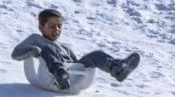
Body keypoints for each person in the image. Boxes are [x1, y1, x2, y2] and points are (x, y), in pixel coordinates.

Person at [11, 9, 141, 90]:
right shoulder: (36, 39)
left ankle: (117, 69)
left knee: (96, 54)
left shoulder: (65, 47)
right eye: (51, 26)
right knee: (47, 49)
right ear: (41, 27)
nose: (56, 29)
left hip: (70, 77)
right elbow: (15, 54)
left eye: (59, 26)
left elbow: (77, 65)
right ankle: (59, 74)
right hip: (50, 76)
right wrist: (32, 50)